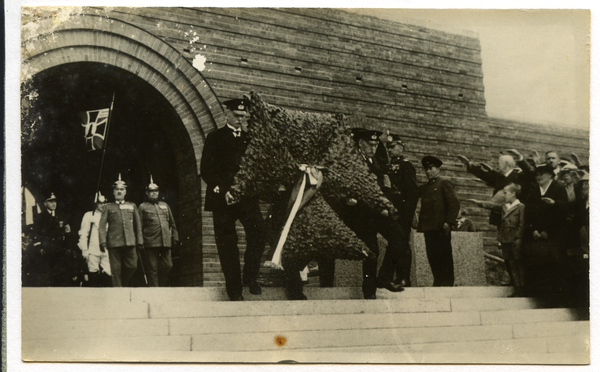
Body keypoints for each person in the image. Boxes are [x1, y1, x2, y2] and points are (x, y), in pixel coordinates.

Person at [320, 128, 406, 299]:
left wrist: (386, 200)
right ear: (360, 144)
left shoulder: (378, 162)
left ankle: (384, 277)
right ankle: (369, 290)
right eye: (370, 144)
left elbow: (383, 186)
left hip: (378, 211)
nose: (373, 148)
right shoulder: (352, 162)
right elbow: (339, 183)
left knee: (400, 239)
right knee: (372, 249)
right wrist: (346, 198)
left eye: (375, 145)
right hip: (360, 213)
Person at [200, 98, 266, 301]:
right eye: (237, 116)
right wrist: (223, 191)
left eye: (243, 116)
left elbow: (256, 170)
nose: (240, 119)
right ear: (227, 113)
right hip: (223, 200)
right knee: (227, 245)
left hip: (246, 198)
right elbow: (207, 170)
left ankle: (250, 276)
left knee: (259, 233)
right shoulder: (215, 137)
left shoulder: (250, 139)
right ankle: (234, 291)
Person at [468, 183, 526, 296]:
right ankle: (517, 288)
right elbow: (492, 206)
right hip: (505, 239)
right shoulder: (504, 207)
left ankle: (523, 288)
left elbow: (522, 224)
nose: (503, 196)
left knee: (519, 264)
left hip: (514, 240)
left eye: (505, 193)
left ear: (513, 193)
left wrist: (518, 238)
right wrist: (479, 203)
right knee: (511, 264)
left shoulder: (520, 207)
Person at [523, 164, 569, 298]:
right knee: (535, 262)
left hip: (553, 234)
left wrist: (549, 230)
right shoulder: (533, 190)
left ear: (550, 175)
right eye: (537, 175)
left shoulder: (559, 188)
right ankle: (537, 294)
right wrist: (533, 230)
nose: (538, 177)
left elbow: (563, 212)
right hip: (536, 234)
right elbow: (528, 212)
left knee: (553, 263)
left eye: (541, 174)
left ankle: (553, 295)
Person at [417, 156, 461, 287]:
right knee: (432, 255)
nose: (428, 172)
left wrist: (449, 222)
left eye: (431, 168)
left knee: (444, 255)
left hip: (441, 227)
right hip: (428, 227)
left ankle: (447, 281)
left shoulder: (444, 183)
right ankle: (438, 279)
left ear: (438, 169)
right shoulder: (425, 187)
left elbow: (454, 204)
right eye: (426, 169)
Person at [385, 133, 418, 287]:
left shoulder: (406, 165)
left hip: (403, 213)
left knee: (403, 244)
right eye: (388, 148)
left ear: (401, 147)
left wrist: (407, 215)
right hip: (391, 212)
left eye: (392, 147)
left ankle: (403, 277)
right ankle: (392, 277)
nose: (390, 150)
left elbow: (412, 193)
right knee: (394, 243)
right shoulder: (387, 167)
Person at [99, 174, 143, 287]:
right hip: (114, 242)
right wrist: (102, 241)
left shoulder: (132, 206)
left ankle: (123, 283)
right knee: (116, 269)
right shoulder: (108, 207)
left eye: (122, 189)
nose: (119, 191)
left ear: (125, 192)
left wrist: (140, 241)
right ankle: (118, 291)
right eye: (117, 189)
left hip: (130, 241)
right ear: (113, 192)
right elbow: (102, 226)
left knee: (132, 266)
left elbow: (138, 225)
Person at [138, 176, 179, 287]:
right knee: (153, 268)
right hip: (151, 241)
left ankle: (160, 285)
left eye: (156, 191)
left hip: (165, 240)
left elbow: (172, 223)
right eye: (151, 191)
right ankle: (155, 290)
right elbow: (139, 226)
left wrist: (175, 237)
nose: (154, 193)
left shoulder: (165, 205)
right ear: (147, 193)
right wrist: (140, 241)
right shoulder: (142, 207)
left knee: (168, 265)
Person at [32, 192, 72, 286]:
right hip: (47, 248)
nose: (54, 204)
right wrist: (40, 247)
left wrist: (69, 247)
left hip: (60, 248)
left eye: (55, 201)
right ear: (45, 203)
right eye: (51, 202)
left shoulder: (62, 216)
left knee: (60, 273)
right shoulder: (40, 217)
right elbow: (36, 234)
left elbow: (68, 232)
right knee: (47, 274)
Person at [77, 192, 112, 287]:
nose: (102, 205)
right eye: (100, 203)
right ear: (96, 204)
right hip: (93, 249)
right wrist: (84, 249)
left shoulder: (110, 216)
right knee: (93, 275)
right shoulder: (89, 215)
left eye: (105, 203)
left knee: (108, 273)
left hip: (106, 250)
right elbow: (83, 234)